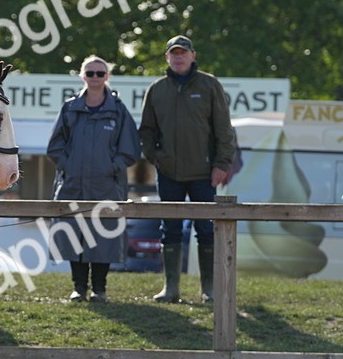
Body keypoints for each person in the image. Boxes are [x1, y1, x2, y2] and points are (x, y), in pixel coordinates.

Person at [139, 35, 236, 303]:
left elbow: (224, 130)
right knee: (169, 229)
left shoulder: (209, 85)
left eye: (183, 53)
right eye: (174, 53)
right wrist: (154, 156)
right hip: (169, 173)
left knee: (206, 229)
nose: (178, 57)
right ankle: (171, 289)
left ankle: (209, 289)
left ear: (193, 56)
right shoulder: (157, 89)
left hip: (204, 174)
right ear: (167, 58)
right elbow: (146, 130)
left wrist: (221, 164)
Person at [46, 56, 141, 302]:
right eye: (90, 73)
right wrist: (69, 165)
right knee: (73, 233)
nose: (95, 77)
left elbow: (130, 149)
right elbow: (55, 146)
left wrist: (112, 167)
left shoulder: (118, 109)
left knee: (103, 237)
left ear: (107, 77)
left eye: (100, 73)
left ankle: (100, 289)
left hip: (106, 185)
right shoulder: (69, 108)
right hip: (72, 184)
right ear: (82, 76)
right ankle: (79, 287)